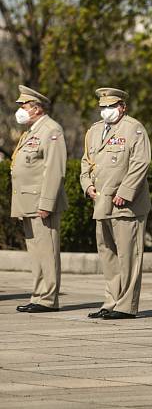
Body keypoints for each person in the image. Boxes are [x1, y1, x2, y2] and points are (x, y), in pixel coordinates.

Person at [80, 88, 151, 320]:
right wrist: (86, 184)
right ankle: (111, 301)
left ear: (123, 107)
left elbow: (140, 163)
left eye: (111, 106)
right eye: (103, 107)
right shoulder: (94, 130)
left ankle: (126, 305)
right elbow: (86, 162)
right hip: (101, 201)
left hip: (125, 204)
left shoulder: (134, 128)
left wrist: (126, 191)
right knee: (108, 254)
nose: (106, 111)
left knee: (128, 255)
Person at [10, 85, 67, 313]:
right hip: (27, 202)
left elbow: (55, 170)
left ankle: (48, 298)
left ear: (37, 109)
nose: (21, 110)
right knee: (36, 253)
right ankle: (38, 295)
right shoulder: (31, 131)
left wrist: (46, 204)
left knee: (47, 251)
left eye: (24, 106)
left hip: (41, 203)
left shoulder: (51, 130)